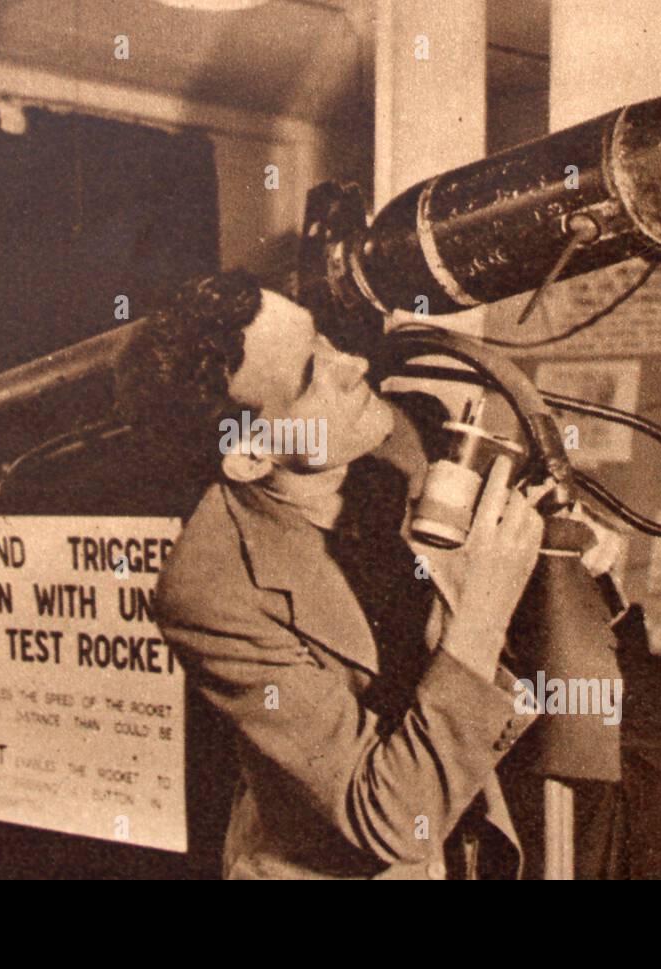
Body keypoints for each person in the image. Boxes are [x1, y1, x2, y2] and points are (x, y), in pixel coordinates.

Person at [114, 271, 594, 879]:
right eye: (312, 377)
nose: (355, 364)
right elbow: (386, 818)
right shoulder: (210, 593)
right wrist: (485, 608)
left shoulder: (395, 438)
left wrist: (559, 556)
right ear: (250, 453)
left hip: (469, 831)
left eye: (323, 340)